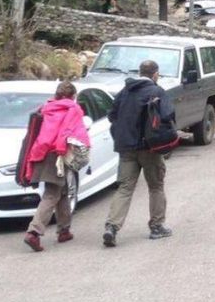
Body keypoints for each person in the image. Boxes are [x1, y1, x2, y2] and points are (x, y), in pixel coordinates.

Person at [103, 59, 176, 247]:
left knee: (125, 188)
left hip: (126, 148)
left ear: (140, 72)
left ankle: (112, 227)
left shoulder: (125, 91)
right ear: (155, 74)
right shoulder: (157, 92)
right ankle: (157, 226)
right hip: (150, 148)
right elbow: (168, 116)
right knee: (156, 186)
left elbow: (112, 115)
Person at [20, 82, 90, 252]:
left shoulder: (46, 108)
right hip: (58, 154)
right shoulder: (73, 109)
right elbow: (73, 132)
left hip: (41, 152)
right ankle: (34, 232)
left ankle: (64, 230)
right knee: (52, 193)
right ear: (73, 95)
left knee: (63, 190)